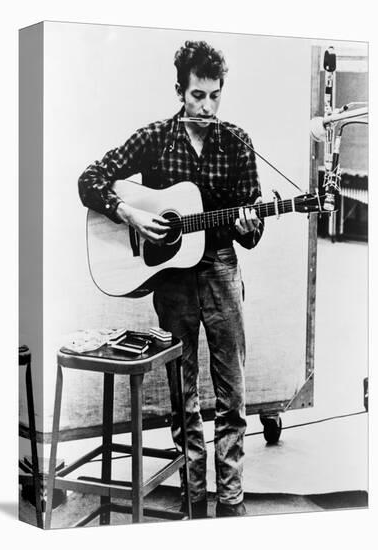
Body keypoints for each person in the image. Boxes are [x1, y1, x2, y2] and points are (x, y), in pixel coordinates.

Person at [78, 40, 264, 518]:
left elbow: (254, 226)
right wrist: (130, 216)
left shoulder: (237, 141)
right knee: (184, 399)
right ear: (180, 90)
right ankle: (193, 501)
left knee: (232, 396)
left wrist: (249, 225)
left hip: (221, 269)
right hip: (173, 284)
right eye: (197, 95)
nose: (206, 107)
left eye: (215, 96)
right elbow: (90, 179)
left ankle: (233, 502)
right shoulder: (156, 137)